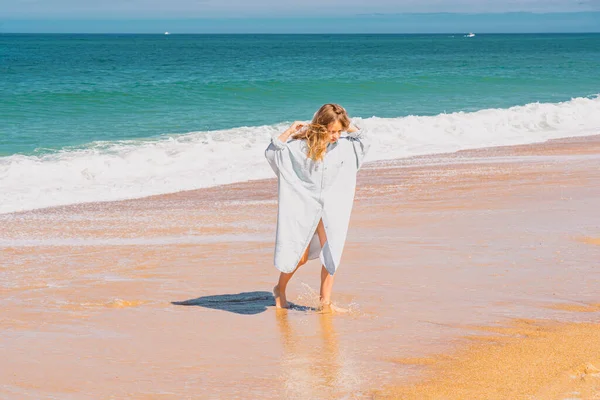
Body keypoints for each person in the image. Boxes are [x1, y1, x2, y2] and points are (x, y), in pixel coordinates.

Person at [265, 103, 370, 311]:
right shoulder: (300, 148)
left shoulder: (344, 146)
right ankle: (280, 288)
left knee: (331, 251)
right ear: (321, 127)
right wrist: (289, 131)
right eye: (331, 131)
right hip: (306, 205)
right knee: (300, 256)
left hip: (331, 207)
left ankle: (325, 303)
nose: (336, 136)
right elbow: (273, 153)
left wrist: (346, 126)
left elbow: (364, 140)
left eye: (339, 131)